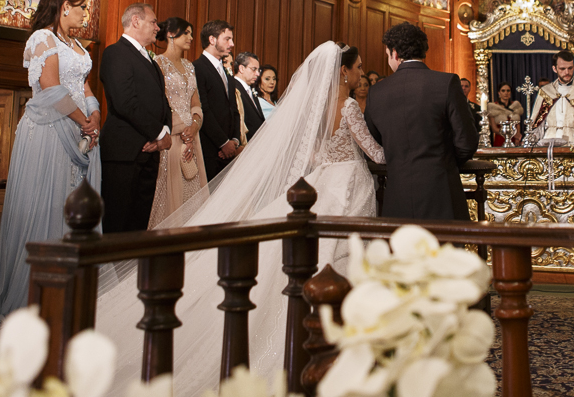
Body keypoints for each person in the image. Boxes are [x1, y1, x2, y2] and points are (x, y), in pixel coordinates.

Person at [93, 42, 384, 393]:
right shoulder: (349, 106)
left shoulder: (316, 106)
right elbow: (375, 153)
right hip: (349, 183)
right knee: (343, 256)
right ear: (342, 71)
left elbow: (309, 156)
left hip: (322, 183)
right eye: (357, 68)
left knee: (313, 255)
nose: (359, 74)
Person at [0, 0, 101, 319]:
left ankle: (71, 287)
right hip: (50, 129)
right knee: (48, 203)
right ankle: (36, 294)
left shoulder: (77, 44)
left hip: (81, 127)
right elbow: (50, 86)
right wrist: (83, 119)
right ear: (64, 5)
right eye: (81, 7)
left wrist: (94, 113)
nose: (84, 13)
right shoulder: (42, 39)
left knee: (74, 203)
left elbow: (84, 85)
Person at [364, 22, 478, 220]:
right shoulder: (447, 82)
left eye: (387, 54)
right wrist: (444, 163)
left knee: (401, 250)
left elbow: (372, 141)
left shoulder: (377, 92)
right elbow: (467, 141)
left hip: (397, 192)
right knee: (445, 249)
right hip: (442, 190)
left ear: (395, 54)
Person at [99, 3, 172, 233]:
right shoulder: (115, 52)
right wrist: (159, 133)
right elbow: (124, 102)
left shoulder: (150, 59)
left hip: (149, 153)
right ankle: (110, 271)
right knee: (118, 223)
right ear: (135, 21)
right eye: (153, 22)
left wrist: (166, 131)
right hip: (124, 154)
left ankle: (131, 271)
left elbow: (163, 101)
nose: (157, 28)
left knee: (138, 226)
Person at [150, 17, 207, 228]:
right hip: (172, 137)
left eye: (191, 33)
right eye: (187, 33)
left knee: (193, 190)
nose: (191, 38)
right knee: (171, 191)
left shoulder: (189, 66)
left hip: (192, 136)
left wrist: (194, 126)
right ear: (171, 35)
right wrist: (183, 131)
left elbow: (196, 102)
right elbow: (160, 102)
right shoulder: (158, 63)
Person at [193, 19, 241, 180]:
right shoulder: (198, 67)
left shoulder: (227, 72)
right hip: (210, 149)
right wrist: (223, 142)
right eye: (227, 39)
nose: (232, 43)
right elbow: (203, 108)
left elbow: (233, 109)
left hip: (229, 149)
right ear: (212, 40)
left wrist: (234, 140)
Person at [530, 51, 574, 144]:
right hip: (549, 141)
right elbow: (537, 123)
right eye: (562, 69)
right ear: (554, 69)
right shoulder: (546, 91)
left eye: (570, 68)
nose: (567, 72)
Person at [233, 51, 265, 140]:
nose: (258, 74)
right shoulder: (233, 87)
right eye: (254, 69)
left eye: (259, 70)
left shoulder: (250, 89)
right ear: (241, 68)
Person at [486, 82, 524, 146]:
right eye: (503, 91)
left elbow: (517, 124)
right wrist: (507, 134)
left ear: (510, 93)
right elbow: (494, 128)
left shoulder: (515, 106)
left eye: (508, 91)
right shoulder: (493, 107)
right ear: (499, 93)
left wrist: (517, 138)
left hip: (514, 138)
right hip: (500, 138)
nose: (506, 93)